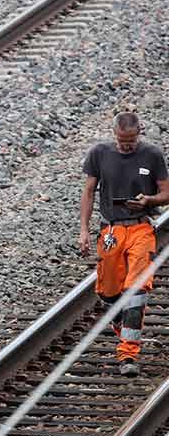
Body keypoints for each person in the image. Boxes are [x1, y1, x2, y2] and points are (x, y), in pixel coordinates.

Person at [79, 111, 169, 377]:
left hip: (141, 228)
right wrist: (84, 230)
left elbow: (167, 193)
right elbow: (88, 190)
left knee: (136, 287)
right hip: (111, 230)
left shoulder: (152, 155)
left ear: (139, 132)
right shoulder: (99, 154)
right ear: (114, 133)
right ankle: (121, 321)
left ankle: (128, 354)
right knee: (108, 292)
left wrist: (149, 201)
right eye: (121, 140)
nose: (126, 145)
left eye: (130, 140)